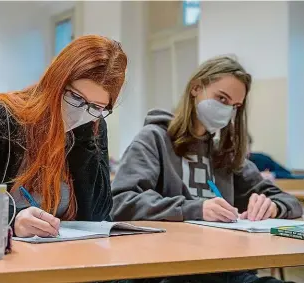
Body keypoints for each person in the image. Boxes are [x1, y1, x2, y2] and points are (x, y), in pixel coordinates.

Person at [111, 56, 302, 283]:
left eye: (235, 106)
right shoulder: (154, 139)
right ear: (196, 88)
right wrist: (196, 209)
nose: (227, 111)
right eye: (221, 98)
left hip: (228, 268)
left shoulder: (225, 151)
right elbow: (122, 201)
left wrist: (273, 207)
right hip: (169, 270)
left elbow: (291, 203)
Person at [0, 35, 127, 238]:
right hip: (5, 256)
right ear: (56, 81)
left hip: (67, 254)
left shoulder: (92, 124)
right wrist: (11, 219)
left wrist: (85, 137)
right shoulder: (1, 116)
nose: (80, 113)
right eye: (76, 97)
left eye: (97, 106)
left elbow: (99, 216)